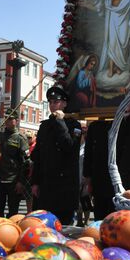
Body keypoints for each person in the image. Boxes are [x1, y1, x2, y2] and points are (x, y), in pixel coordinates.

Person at [31, 87, 82, 225]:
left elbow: (69, 147)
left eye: (57, 102)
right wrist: (35, 182)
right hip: (46, 184)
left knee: (64, 226)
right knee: (44, 225)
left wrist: (60, 122)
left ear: (64, 104)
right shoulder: (44, 126)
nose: (53, 105)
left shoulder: (74, 125)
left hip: (64, 186)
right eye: (51, 102)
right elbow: (38, 157)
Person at [0, 109, 30, 217]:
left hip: (14, 181)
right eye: (6, 118)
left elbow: (26, 162)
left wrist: (21, 181)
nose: (8, 121)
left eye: (10, 119)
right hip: (0, 179)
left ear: (17, 121)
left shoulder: (20, 138)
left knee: (13, 211)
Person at [83, 120, 116, 220]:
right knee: (100, 211)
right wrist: (88, 176)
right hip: (99, 179)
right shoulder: (95, 127)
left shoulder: (126, 123)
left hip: (116, 179)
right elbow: (88, 153)